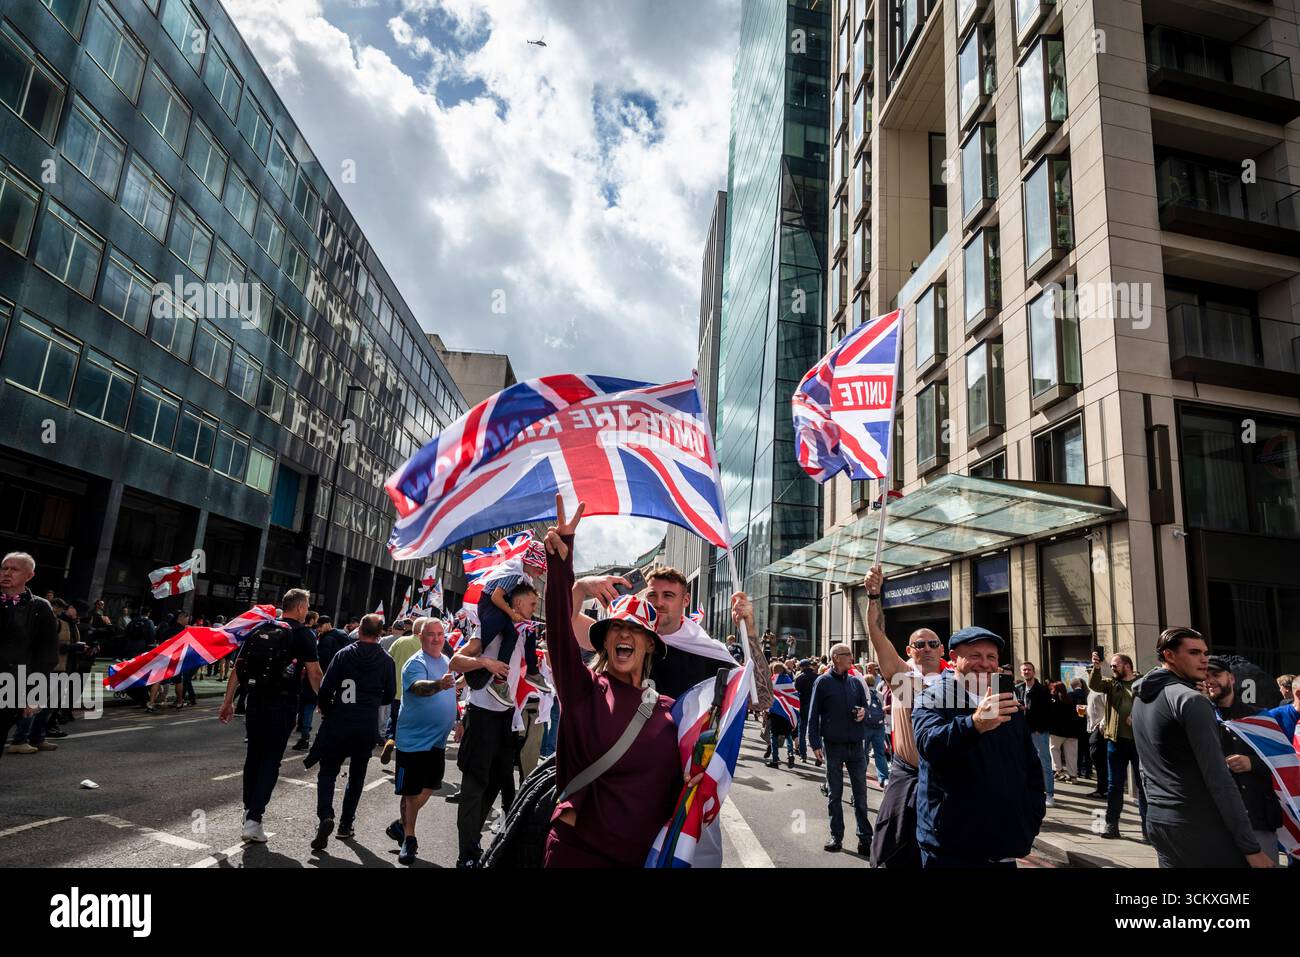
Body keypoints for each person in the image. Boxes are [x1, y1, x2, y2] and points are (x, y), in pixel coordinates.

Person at [538, 495, 689, 868]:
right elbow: (558, 629)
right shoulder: (583, 690)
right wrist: (563, 560)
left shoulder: (671, 713)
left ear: (649, 644)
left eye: (634, 630)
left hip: (639, 860)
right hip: (576, 854)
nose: (625, 635)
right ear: (604, 640)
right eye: (616, 628)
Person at [1132, 627, 1273, 868]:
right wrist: (1251, 848)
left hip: (1160, 820)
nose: (1204, 659)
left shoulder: (1142, 696)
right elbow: (1219, 779)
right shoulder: (1192, 700)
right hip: (1199, 827)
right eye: (1194, 652)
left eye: (1205, 652)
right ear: (1169, 655)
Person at [912, 627, 1045, 868]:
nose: (984, 664)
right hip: (950, 849)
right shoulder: (931, 698)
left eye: (991, 657)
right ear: (953, 658)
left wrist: (1031, 818)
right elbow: (929, 744)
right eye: (975, 655)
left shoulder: (1009, 705)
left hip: (1003, 845)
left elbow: (1031, 769)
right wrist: (974, 723)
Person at [218, 588, 322, 843]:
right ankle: (254, 818)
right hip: (282, 704)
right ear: (299, 608)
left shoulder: (259, 629)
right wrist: (326, 703)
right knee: (270, 761)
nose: (307, 610)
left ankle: (248, 810)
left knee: (253, 756)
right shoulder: (302, 634)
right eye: (306, 606)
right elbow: (315, 673)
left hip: (254, 702)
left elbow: (237, 668)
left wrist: (227, 701)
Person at [858, 565, 945, 869]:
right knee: (890, 854)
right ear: (910, 650)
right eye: (919, 644)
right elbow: (877, 633)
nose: (926, 648)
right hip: (907, 778)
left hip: (944, 783)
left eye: (933, 643)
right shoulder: (902, 676)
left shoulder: (957, 682)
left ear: (942, 648)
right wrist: (873, 595)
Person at [309, 613, 395, 852]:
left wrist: (328, 711)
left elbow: (326, 689)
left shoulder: (344, 654)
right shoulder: (386, 660)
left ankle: (326, 814)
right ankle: (346, 824)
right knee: (357, 775)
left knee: (327, 771)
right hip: (365, 723)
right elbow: (389, 694)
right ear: (380, 634)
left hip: (340, 720)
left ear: (360, 631)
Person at [382, 617, 457, 865]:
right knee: (411, 792)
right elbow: (418, 688)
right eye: (430, 634)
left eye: (439, 634)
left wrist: (460, 720)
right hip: (413, 740)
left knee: (430, 786)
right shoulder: (416, 662)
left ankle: (401, 826)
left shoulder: (446, 661)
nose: (436, 638)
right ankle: (409, 839)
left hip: (437, 741)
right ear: (421, 637)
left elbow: (451, 691)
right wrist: (438, 684)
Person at [1204, 656, 1283, 865]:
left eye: (1216, 675)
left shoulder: (1260, 718)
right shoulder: (1201, 719)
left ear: (1231, 678)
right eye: (1205, 676)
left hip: (1257, 817)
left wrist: (1252, 763)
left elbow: (1284, 765)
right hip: (1217, 820)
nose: (1210, 680)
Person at [807, 643, 872, 854]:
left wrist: (863, 712)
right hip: (833, 746)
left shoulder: (855, 681)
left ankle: (865, 838)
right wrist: (814, 742)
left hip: (856, 745)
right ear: (836, 658)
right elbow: (813, 713)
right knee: (835, 794)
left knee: (860, 795)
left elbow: (866, 707)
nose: (852, 658)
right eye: (848, 655)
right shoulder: (822, 682)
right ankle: (836, 836)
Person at [467, 541, 552, 697]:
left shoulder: (524, 576)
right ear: (531, 562)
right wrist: (512, 614)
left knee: (530, 628)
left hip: (501, 605)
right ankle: (498, 681)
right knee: (511, 634)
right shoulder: (514, 572)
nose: (540, 573)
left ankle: (532, 672)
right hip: (490, 605)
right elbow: (496, 597)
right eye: (539, 568)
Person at [0, 553, 59, 766]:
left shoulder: (40, 607)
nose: (6, 573)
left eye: (14, 569)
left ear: (29, 575)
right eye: (4, 568)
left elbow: (46, 654)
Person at [1089, 649, 1147, 839]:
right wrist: (1096, 668)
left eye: (1115, 666)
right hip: (1116, 742)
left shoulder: (1143, 683)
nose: (1112, 668)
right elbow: (1095, 684)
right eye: (1111, 666)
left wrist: (1137, 716)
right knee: (1114, 785)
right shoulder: (1112, 683)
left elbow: (1152, 707)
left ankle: (1148, 829)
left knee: (1143, 785)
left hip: (1139, 743)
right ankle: (1111, 826)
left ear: (1127, 666)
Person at [380, 618, 432, 765]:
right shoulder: (426, 646)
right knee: (412, 723)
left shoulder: (400, 641)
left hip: (396, 690)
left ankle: (391, 739)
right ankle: (407, 752)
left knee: (395, 718)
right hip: (416, 692)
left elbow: (387, 660)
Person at [1014, 662, 1054, 807]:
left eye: (1029, 670)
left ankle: (1049, 794)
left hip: (1038, 731)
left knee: (1044, 763)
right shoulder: (1018, 688)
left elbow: (1047, 711)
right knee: (1023, 762)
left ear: (1034, 672)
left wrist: (1039, 727)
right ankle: (1028, 792)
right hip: (1022, 730)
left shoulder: (1042, 690)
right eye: (1024, 670)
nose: (1026, 672)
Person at [1047, 681, 1082, 783]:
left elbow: (1050, 715)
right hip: (1072, 731)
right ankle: (1073, 776)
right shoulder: (1071, 698)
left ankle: (1059, 771)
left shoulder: (1053, 700)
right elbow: (1080, 713)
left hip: (1056, 731)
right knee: (1072, 755)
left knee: (1055, 751)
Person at [862, 662, 888, 786]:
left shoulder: (862, 694)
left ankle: (861, 773)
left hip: (865, 726)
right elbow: (882, 708)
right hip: (879, 726)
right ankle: (883, 778)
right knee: (880, 753)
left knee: (863, 752)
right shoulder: (879, 694)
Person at [767, 662, 796, 768]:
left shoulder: (773, 680)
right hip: (787, 712)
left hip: (775, 712)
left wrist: (766, 710)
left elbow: (769, 695)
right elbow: (793, 694)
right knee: (788, 735)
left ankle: (775, 760)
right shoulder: (788, 679)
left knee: (774, 735)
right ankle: (790, 754)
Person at [1086, 680, 1109, 798]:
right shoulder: (1091, 691)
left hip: (1100, 728)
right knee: (1098, 759)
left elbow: (1109, 707)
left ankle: (1103, 789)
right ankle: (1102, 788)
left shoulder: (1102, 690)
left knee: (1097, 756)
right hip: (1093, 727)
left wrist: (1103, 723)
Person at [794, 658, 818, 765]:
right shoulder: (817, 677)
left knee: (802, 732)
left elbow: (795, 692)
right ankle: (819, 756)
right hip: (815, 707)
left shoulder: (800, 677)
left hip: (803, 706)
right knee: (816, 732)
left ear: (802, 667)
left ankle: (803, 755)